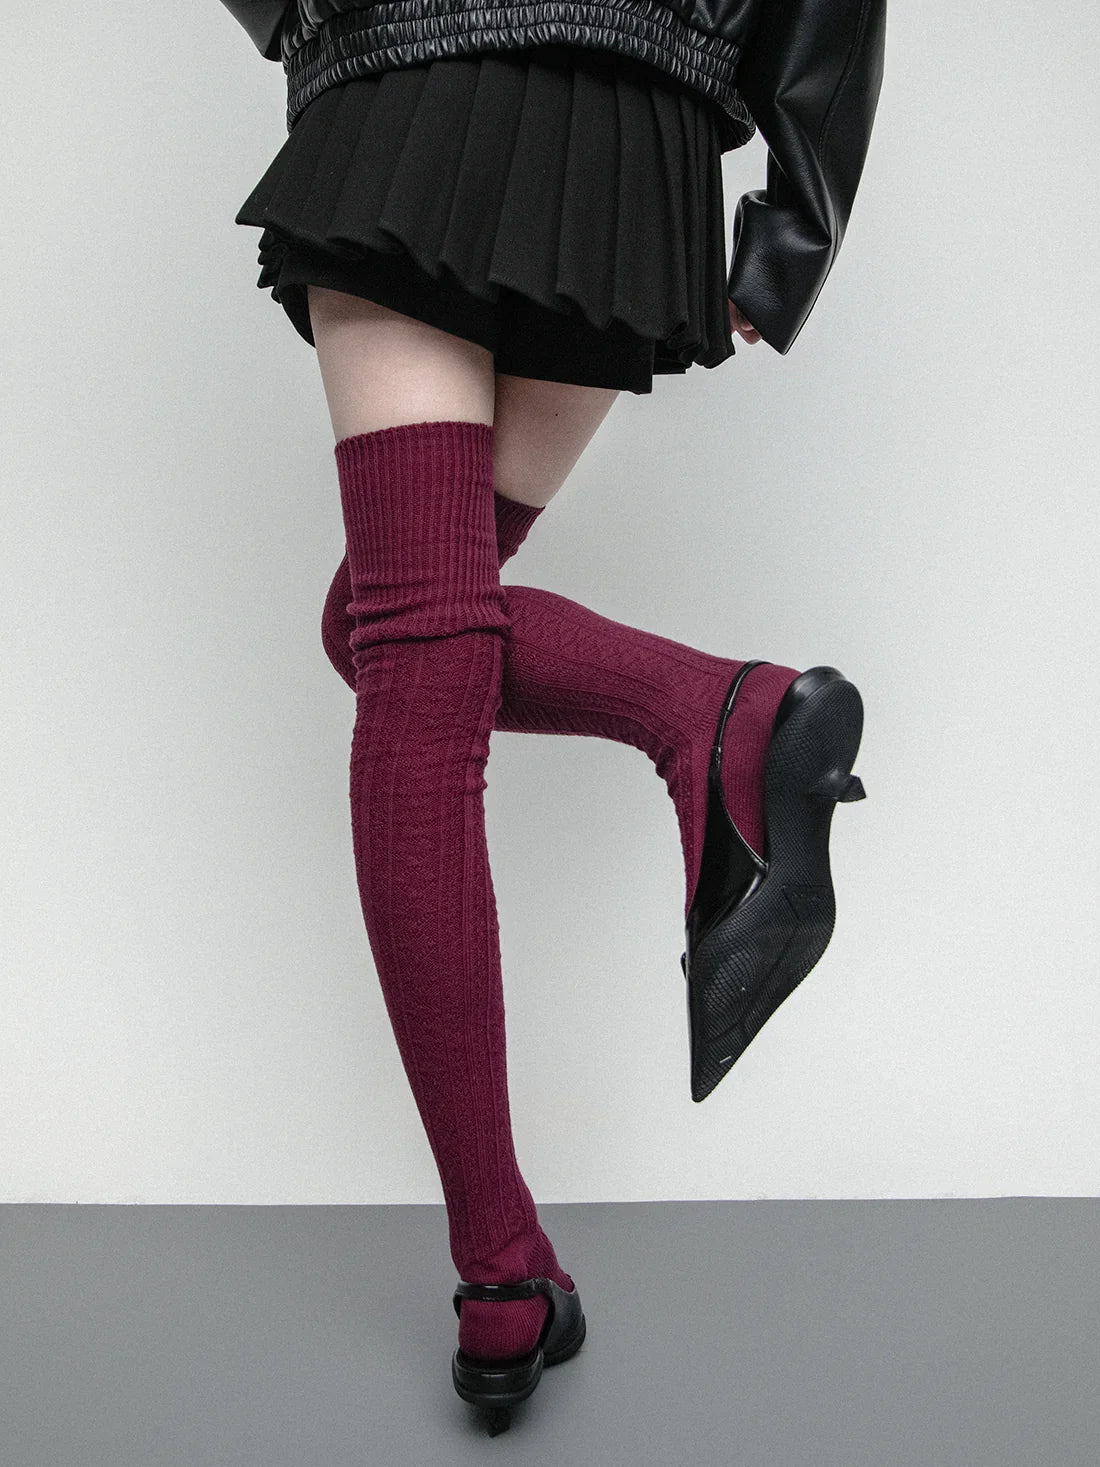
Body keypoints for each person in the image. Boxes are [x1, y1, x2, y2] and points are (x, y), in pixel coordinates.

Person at [221, 0, 886, 1433]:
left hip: (406, 80)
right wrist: (792, 226)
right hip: (627, 134)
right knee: (394, 629)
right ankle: (720, 714)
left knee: (407, 641)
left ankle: (500, 1271)